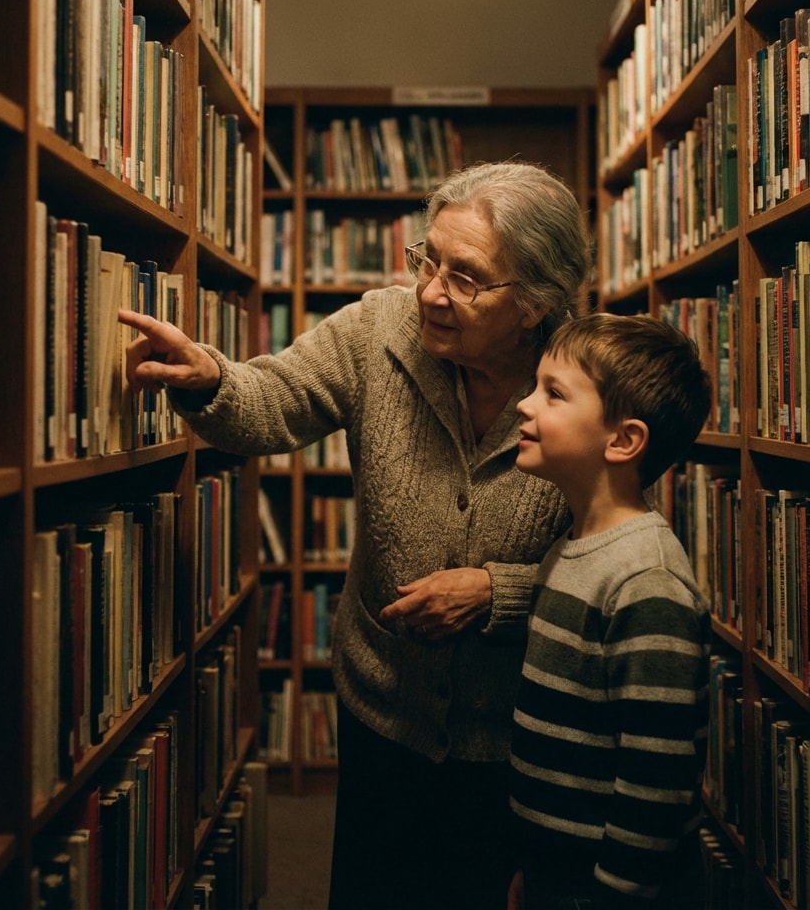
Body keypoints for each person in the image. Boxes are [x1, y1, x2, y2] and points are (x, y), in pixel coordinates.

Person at [118, 160, 592, 910]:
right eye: (427, 260)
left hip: (519, 734)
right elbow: (275, 398)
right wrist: (210, 376)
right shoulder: (381, 327)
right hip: (382, 708)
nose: (431, 291)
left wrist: (499, 593)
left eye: (465, 277)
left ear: (534, 303)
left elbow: (613, 568)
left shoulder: (591, 380)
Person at [508, 312, 713, 910]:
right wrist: (536, 870)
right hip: (557, 876)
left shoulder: (646, 582)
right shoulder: (569, 549)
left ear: (622, 440)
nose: (524, 406)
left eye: (552, 393)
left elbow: (654, 789)